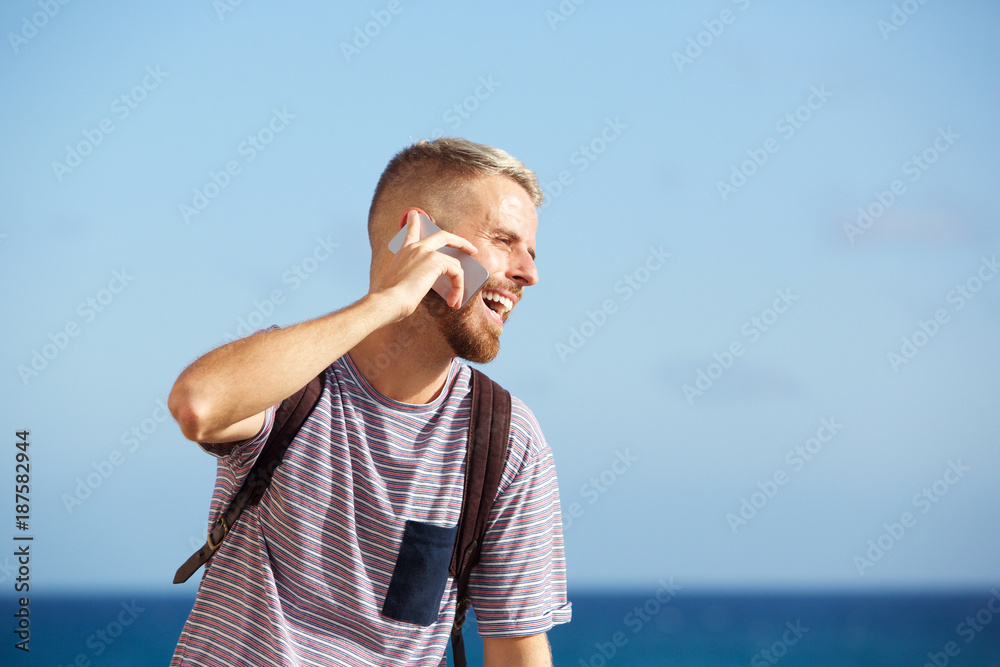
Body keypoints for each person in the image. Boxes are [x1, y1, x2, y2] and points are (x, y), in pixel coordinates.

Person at [168, 137, 571, 666]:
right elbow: (199, 404)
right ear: (419, 234)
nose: (528, 273)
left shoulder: (506, 439)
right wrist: (386, 302)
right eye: (504, 241)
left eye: (531, 252)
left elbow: (516, 650)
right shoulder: (293, 379)